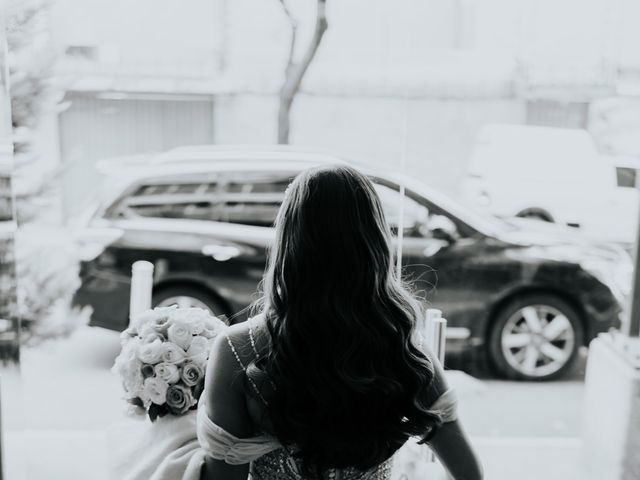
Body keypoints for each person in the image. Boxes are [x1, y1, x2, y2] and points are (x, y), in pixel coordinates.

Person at [197, 165, 483, 480]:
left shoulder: (238, 350)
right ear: (373, 243)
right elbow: (469, 474)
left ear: (289, 243)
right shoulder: (403, 349)